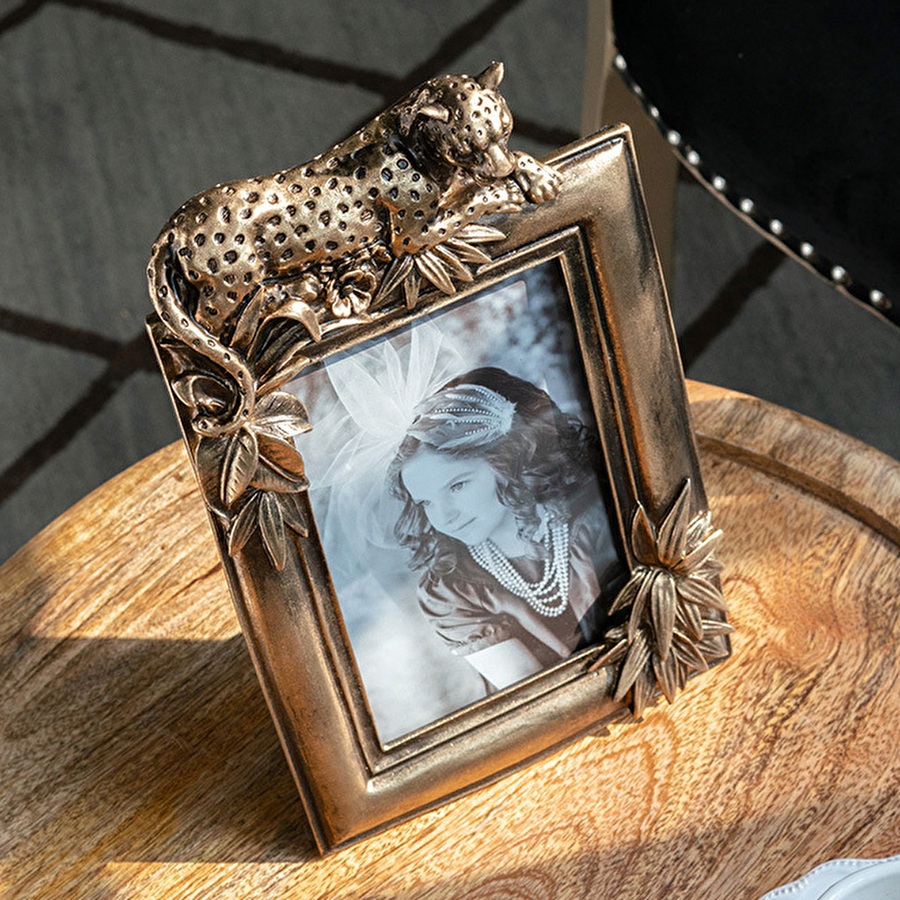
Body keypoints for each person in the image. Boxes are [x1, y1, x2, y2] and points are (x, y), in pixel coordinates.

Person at [389, 367, 623, 692]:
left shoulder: (597, 513)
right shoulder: (450, 589)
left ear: (508, 460)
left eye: (457, 486)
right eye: (426, 502)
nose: (444, 517)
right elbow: (532, 694)